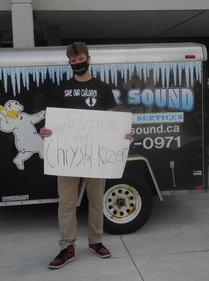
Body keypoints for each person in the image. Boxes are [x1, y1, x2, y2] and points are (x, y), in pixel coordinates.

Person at [40, 42, 132, 269]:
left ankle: (95, 241)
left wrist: (124, 134)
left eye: (80, 61)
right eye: (73, 62)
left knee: (97, 201)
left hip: (95, 157)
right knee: (67, 204)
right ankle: (66, 247)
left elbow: (112, 119)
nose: (77, 65)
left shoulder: (102, 88)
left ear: (88, 59)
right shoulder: (61, 89)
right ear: (69, 63)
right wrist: (45, 131)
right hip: (67, 157)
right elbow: (52, 121)